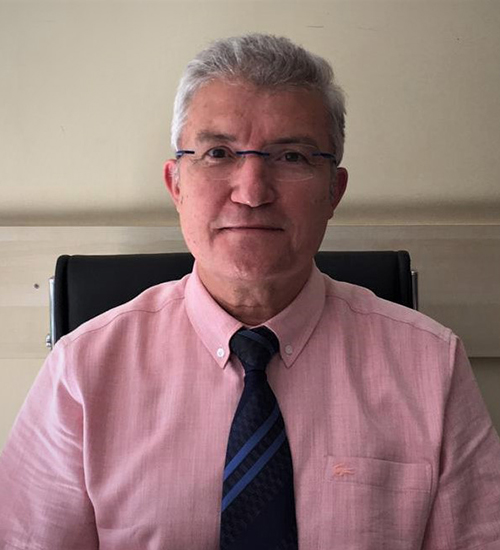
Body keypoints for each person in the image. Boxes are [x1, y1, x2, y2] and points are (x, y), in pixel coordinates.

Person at [1, 33, 499, 550]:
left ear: (334, 191)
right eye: (218, 152)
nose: (253, 191)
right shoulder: (83, 372)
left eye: (292, 156)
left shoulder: (431, 366)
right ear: (176, 184)